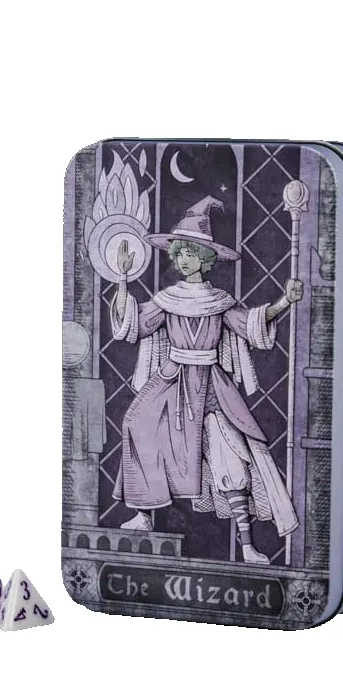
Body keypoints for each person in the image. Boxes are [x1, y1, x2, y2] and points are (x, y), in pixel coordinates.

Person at [110, 196, 303, 564]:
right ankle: (143, 514)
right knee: (136, 422)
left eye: (191, 252)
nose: (183, 259)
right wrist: (122, 278)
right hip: (171, 380)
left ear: (205, 258)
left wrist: (285, 302)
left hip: (212, 386)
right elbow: (133, 324)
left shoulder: (219, 301)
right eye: (180, 253)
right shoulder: (167, 299)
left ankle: (247, 546)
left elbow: (250, 325)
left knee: (229, 455)